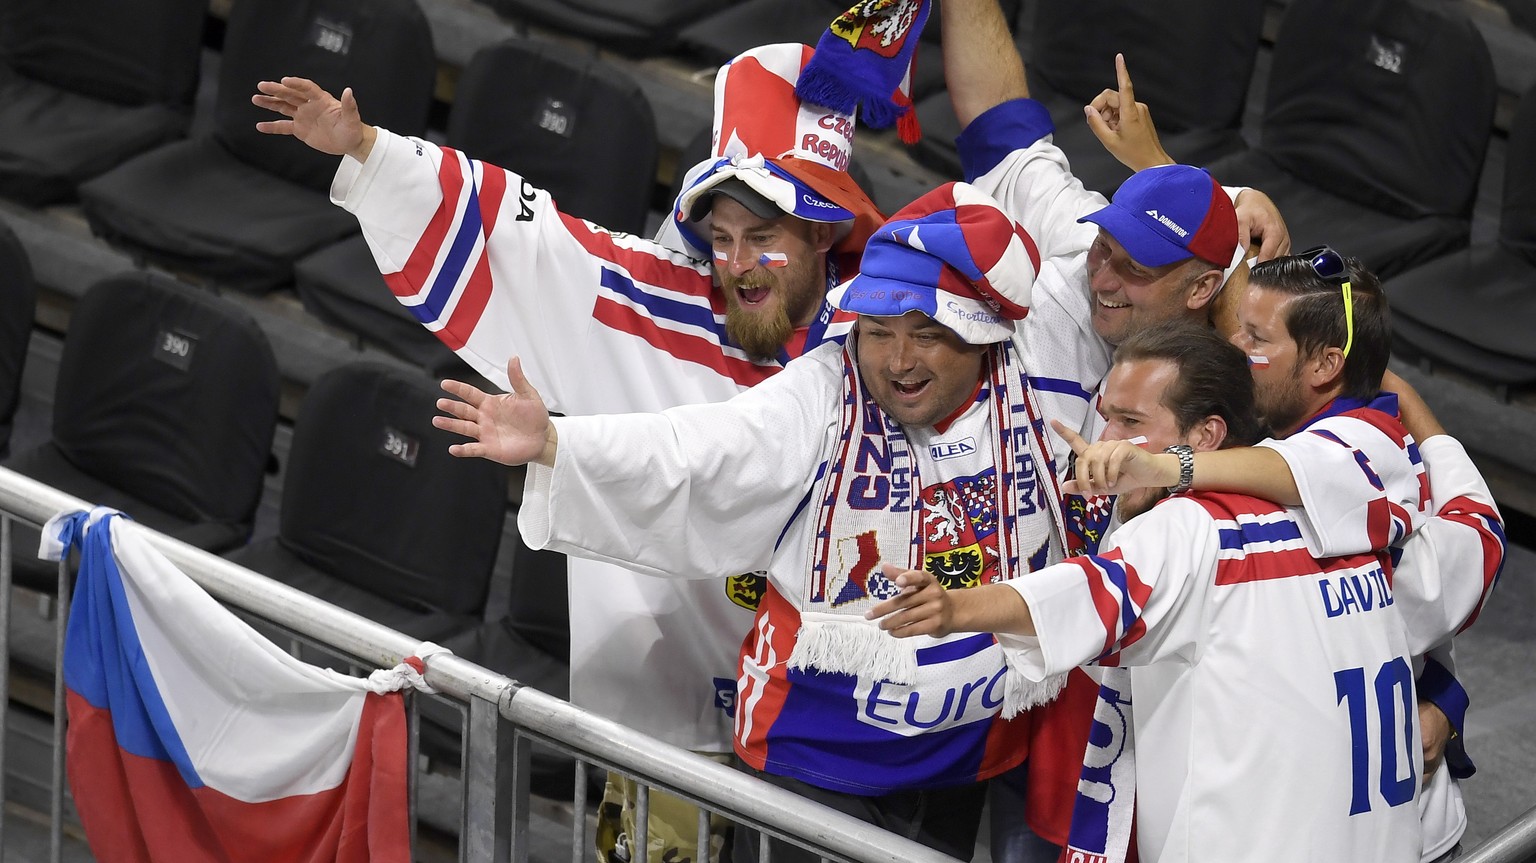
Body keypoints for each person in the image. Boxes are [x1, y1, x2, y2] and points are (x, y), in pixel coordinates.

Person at [252, 41, 888, 863]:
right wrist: (371, 152)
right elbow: (528, 236)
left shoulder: (889, 346)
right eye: (720, 235)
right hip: (670, 742)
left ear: (822, 230)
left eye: (761, 236)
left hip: (827, 745)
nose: (734, 263)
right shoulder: (649, 301)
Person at [431, 184, 1096, 863]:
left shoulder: (1040, 369)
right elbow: (698, 450)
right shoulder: (822, 390)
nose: (897, 362)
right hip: (817, 763)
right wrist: (558, 445)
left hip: (960, 757)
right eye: (877, 332)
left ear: (985, 335)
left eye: (926, 334)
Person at [868, 320, 1424, 862]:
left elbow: (1087, 595)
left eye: (1130, 421)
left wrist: (955, 606)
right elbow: (1476, 528)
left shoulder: (1189, 527)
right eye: (1106, 416)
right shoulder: (1358, 516)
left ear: (1204, 437)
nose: (1106, 443)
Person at [1068, 250, 1504, 863]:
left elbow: (1454, 567)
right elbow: (1473, 548)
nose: (1235, 346)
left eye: (1254, 337)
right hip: (1352, 814)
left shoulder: (1350, 469)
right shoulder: (1368, 474)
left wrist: (1167, 467)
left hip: (1340, 822)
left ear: (1327, 363)